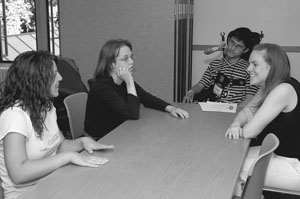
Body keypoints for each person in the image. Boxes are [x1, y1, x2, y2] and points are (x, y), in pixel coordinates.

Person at [0, 51, 114, 199]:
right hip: (25, 194)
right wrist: (67, 157)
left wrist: (82, 142)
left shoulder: (46, 106)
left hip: (52, 182)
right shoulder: (14, 116)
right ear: (36, 80)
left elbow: (58, 146)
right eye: (54, 75)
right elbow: (18, 173)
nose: (60, 78)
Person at [225, 43, 300, 196]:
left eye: (255, 64)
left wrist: (241, 128)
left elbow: (249, 131)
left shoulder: (283, 90)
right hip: (278, 154)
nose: (248, 69)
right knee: (228, 158)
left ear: (272, 67)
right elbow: (247, 111)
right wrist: (235, 124)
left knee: (231, 168)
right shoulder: (269, 85)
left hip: (294, 165)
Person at [85, 39, 189, 139]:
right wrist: (130, 81)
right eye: (126, 58)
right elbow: (132, 113)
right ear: (112, 64)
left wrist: (171, 108)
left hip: (120, 131)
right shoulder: (102, 87)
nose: (131, 61)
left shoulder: (122, 81)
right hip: (101, 138)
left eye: (131, 57)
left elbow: (146, 98)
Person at [183, 27, 261, 106]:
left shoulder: (250, 69)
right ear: (228, 40)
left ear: (245, 50)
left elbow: (250, 98)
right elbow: (200, 85)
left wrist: (235, 114)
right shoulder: (215, 64)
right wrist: (191, 92)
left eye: (238, 46)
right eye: (232, 42)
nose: (232, 48)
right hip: (213, 108)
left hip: (236, 111)